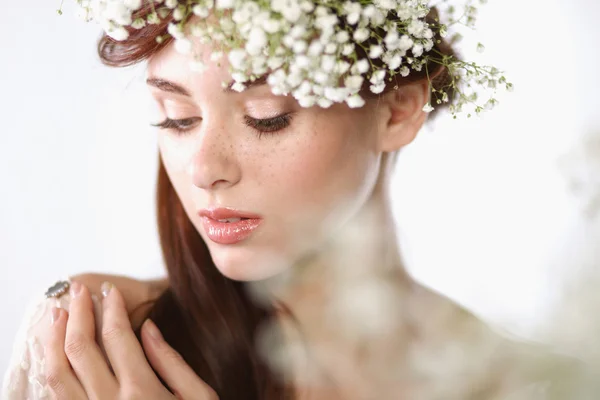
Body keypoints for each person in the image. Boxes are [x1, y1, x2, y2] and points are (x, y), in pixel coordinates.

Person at [1, 1, 594, 399]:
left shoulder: (526, 382)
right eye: (176, 119)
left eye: (267, 118)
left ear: (398, 110)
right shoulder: (105, 347)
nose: (205, 170)